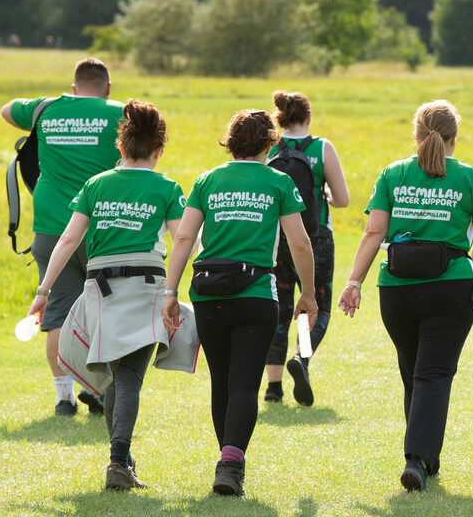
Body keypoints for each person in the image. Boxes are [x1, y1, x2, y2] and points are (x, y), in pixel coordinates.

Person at [338, 100, 473, 492]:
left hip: (397, 290)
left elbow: (374, 234)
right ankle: (417, 459)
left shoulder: (393, 174)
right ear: (454, 138)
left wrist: (353, 282)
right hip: (452, 286)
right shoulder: (469, 176)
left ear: (417, 136)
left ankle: (426, 456)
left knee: (415, 373)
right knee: (433, 374)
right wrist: (470, 269)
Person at [28, 100, 184, 490]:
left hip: (101, 289)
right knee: (129, 375)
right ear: (158, 151)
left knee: (118, 375)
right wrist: (176, 284)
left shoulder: (96, 184)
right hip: (146, 286)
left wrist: (43, 290)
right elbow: (184, 239)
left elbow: (68, 239)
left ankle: (123, 460)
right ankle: (118, 462)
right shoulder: (167, 187)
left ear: (121, 148)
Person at [162, 109, 318, 497]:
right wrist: (309, 294)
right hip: (255, 294)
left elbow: (183, 239)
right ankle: (230, 465)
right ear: (270, 143)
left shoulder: (207, 180)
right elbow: (299, 242)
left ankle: (227, 462)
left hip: (208, 291)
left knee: (223, 382)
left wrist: (170, 291)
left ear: (230, 142)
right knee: (246, 384)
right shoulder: (278, 181)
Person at [2, 57, 124, 417]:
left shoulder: (47, 109)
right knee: (106, 311)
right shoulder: (119, 112)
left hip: (51, 227)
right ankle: (98, 390)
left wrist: (47, 111)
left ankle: (63, 397)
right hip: (102, 229)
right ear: (107, 87)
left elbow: (6, 110)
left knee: (56, 313)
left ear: (73, 87)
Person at [263, 91, 351, 406]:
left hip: (275, 240)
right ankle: (301, 355)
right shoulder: (321, 148)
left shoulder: (269, 147)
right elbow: (342, 200)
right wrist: (322, 191)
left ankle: (273, 388)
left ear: (278, 118)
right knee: (317, 306)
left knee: (280, 308)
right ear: (308, 118)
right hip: (316, 238)